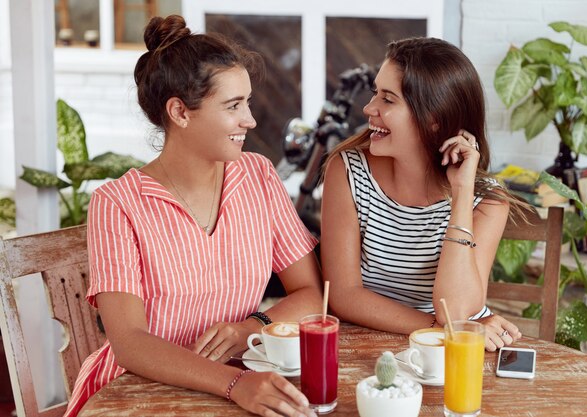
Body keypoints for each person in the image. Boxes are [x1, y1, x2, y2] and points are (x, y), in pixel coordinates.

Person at [65, 15, 321, 417]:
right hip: (135, 393)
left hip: (234, 383)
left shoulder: (257, 175)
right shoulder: (117, 203)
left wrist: (250, 327)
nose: (250, 120)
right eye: (233, 106)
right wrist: (234, 385)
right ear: (180, 112)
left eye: (248, 102)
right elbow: (129, 342)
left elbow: (310, 293)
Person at [321, 37, 525, 352]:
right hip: (386, 344)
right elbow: (344, 295)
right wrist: (440, 330)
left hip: (455, 353)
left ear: (434, 119)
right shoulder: (348, 171)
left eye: (388, 99)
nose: (369, 107)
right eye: (376, 92)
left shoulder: (486, 201)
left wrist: (461, 194)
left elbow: (455, 311)